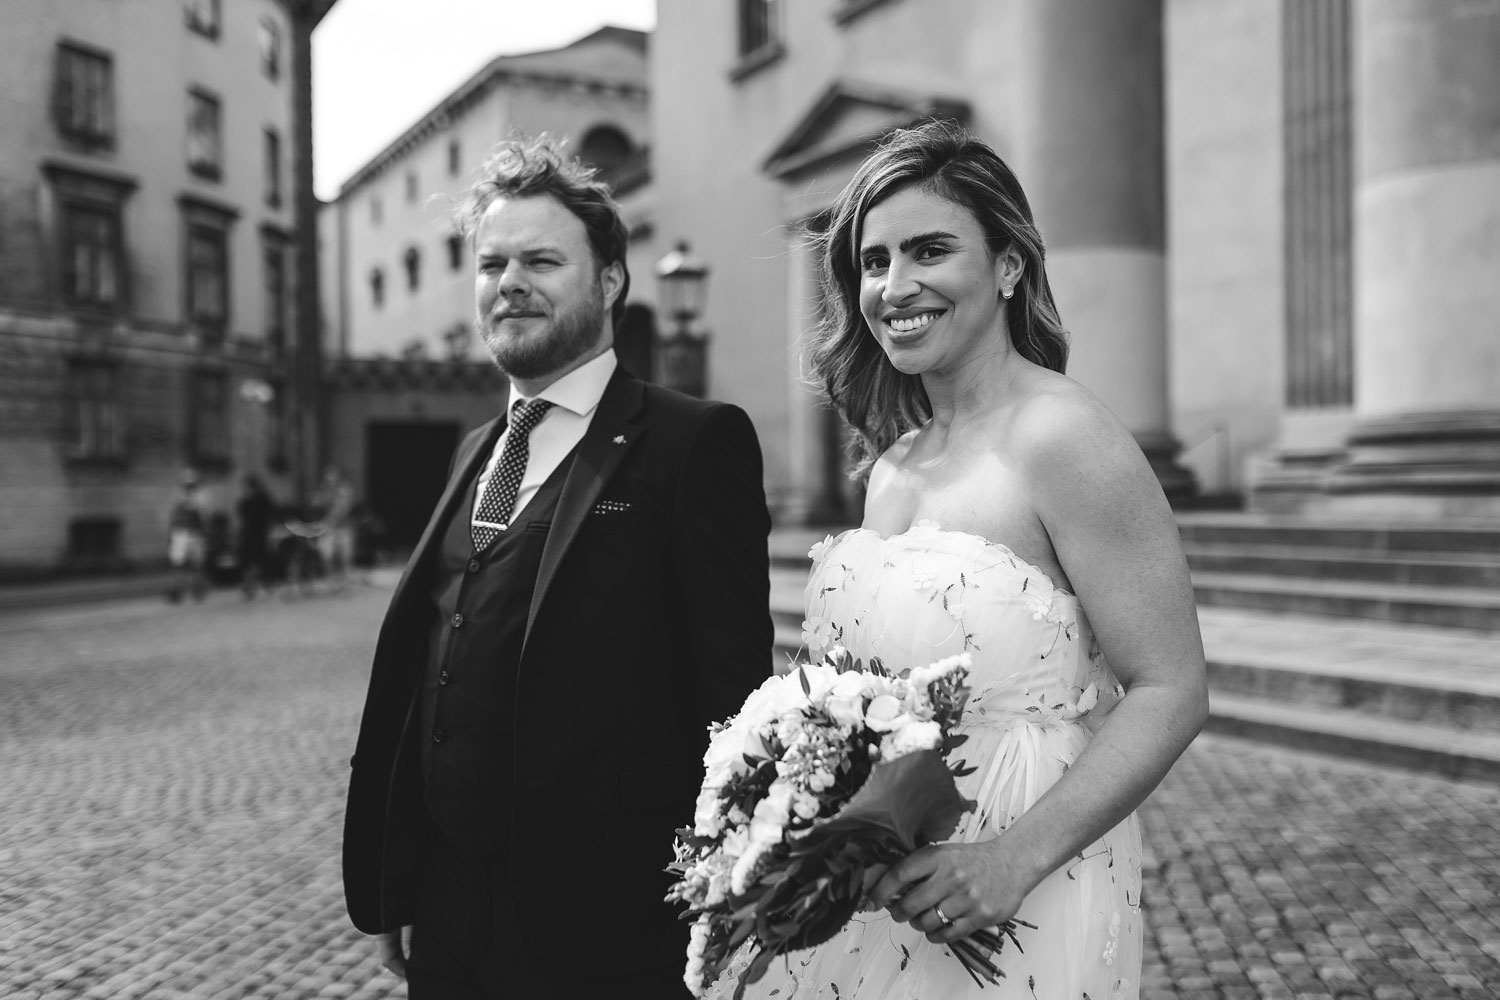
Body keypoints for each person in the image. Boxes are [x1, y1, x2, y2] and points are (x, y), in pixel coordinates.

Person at [722, 121, 1209, 999]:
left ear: (1009, 266)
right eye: (873, 262)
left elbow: (1172, 689)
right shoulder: (894, 464)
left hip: (1022, 876)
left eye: (929, 251)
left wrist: (1009, 860)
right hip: (890, 893)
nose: (893, 286)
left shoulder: (1064, 437)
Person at [341, 134, 774, 999]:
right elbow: (428, 675)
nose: (510, 282)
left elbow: (734, 695)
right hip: (451, 911)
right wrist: (396, 875)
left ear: (610, 280)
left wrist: (721, 896)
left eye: (541, 259)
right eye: (492, 262)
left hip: (611, 926)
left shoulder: (694, 443)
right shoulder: (474, 449)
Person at [165, 468, 210, 603]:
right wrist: (170, 534)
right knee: (178, 563)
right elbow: (173, 517)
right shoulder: (177, 497)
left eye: (190, 484)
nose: (188, 487)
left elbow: (204, 517)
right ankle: (176, 590)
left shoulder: (200, 497)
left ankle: (198, 589)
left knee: (196, 564)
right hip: (180, 534)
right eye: (186, 484)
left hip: (195, 534)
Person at [314, 467, 357, 587]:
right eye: (328, 479)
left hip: (343, 528)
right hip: (330, 528)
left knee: (345, 556)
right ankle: (331, 578)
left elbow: (343, 509)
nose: (330, 482)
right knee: (327, 554)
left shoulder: (344, 490)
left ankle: (345, 580)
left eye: (332, 479)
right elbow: (316, 503)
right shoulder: (325, 492)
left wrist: (330, 519)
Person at [236, 473, 275, 597]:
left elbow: (269, 514)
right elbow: (241, 512)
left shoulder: (263, 499)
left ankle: (266, 582)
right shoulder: (245, 500)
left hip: (260, 534)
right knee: (247, 561)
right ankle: (249, 585)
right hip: (248, 534)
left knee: (262, 560)